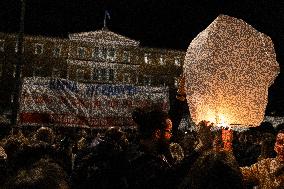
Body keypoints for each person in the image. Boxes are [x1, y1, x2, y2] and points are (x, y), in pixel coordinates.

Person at [129, 108, 178, 189]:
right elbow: (176, 180)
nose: (170, 135)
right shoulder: (145, 164)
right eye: (169, 131)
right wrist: (199, 150)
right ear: (157, 133)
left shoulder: (139, 151)